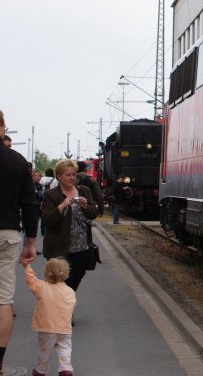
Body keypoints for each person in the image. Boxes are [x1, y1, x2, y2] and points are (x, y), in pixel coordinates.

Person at [0, 109, 38, 373]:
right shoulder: (17, 161)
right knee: (3, 300)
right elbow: (30, 204)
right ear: (2, 126)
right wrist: (31, 241)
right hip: (8, 234)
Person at [41, 159, 98, 292]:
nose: (72, 177)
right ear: (59, 176)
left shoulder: (84, 190)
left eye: (74, 174)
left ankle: (64, 308)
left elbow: (93, 214)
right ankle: (65, 311)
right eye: (68, 175)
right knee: (63, 286)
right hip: (59, 250)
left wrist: (85, 206)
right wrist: (62, 205)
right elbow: (48, 220)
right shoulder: (51, 195)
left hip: (81, 248)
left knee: (75, 281)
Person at [23, 258, 76, 376]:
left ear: (46, 273)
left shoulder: (42, 287)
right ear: (66, 274)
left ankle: (40, 370)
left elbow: (31, 280)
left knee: (45, 350)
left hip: (46, 327)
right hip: (64, 328)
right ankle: (65, 368)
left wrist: (27, 267)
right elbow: (73, 305)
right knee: (65, 349)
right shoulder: (70, 291)